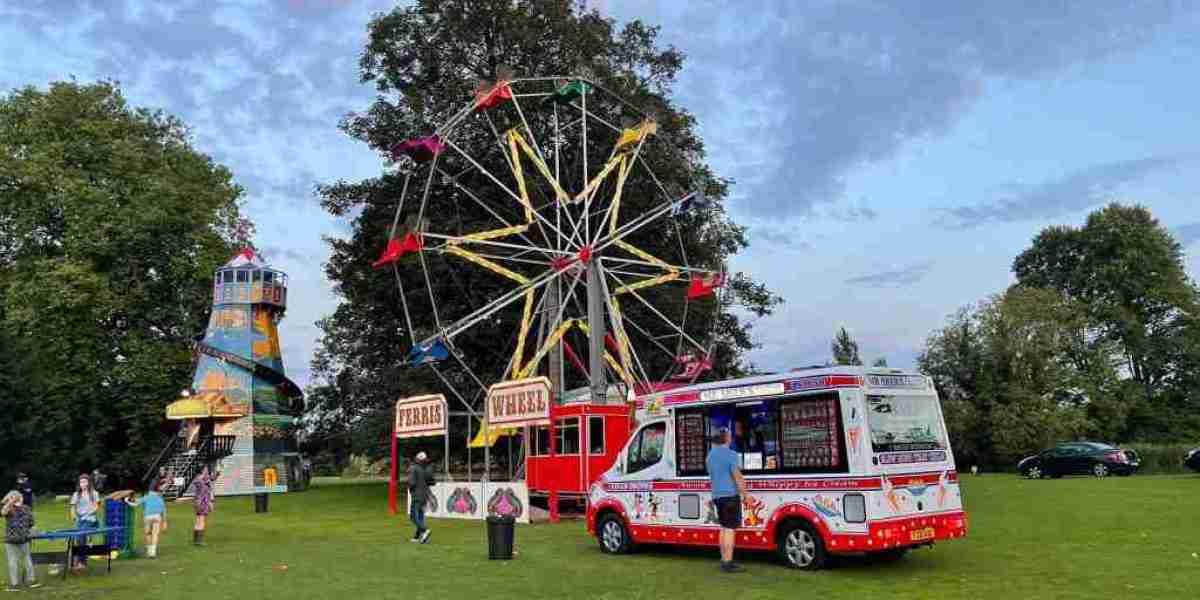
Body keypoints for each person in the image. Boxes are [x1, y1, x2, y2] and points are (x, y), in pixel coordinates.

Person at [706, 427, 747, 573]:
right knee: (730, 529)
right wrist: (746, 495)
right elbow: (737, 476)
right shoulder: (731, 455)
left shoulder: (710, 456)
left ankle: (724, 560)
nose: (731, 437)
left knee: (723, 528)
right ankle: (728, 563)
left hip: (717, 496)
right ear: (726, 438)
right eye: (730, 435)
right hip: (730, 495)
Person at [3, 491, 40, 591]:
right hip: (24, 538)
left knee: (13, 561)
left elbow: (3, 512)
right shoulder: (26, 508)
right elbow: (32, 524)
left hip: (11, 539)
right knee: (27, 559)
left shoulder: (9, 508)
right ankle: (32, 581)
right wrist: (33, 532)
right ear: (21, 498)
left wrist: (10, 502)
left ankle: (15, 585)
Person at [124, 481, 168, 558]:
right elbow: (163, 509)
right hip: (157, 517)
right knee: (155, 534)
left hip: (148, 517)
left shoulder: (146, 497)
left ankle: (149, 551)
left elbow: (136, 503)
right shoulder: (160, 498)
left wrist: (127, 500)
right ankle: (153, 552)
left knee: (148, 533)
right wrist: (164, 521)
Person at [68, 474, 101, 570]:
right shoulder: (76, 494)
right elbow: (73, 507)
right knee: (78, 539)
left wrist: (91, 511)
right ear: (79, 483)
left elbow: (98, 505)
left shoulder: (94, 493)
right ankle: (78, 560)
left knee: (81, 536)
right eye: (81, 482)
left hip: (90, 519)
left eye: (85, 482)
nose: (83, 484)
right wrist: (73, 515)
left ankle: (82, 562)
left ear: (89, 483)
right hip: (80, 520)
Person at [407, 452, 434, 544]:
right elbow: (431, 482)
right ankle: (417, 537)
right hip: (425, 496)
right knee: (421, 516)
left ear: (416, 459)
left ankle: (425, 530)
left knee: (413, 517)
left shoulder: (413, 468)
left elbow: (411, 482)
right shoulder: (425, 469)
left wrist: (410, 489)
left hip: (417, 496)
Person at [192, 466, 214, 547]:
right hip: (202, 502)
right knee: (201, 520)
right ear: (202, 471)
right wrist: (209, 503)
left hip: (199, 501)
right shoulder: (200, 480)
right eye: (205, 470)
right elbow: (205, 491)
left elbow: (211, 479)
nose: (207, 471)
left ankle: (196, 540)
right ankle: (199, 541)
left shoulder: (201, 480)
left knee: (198, 520)